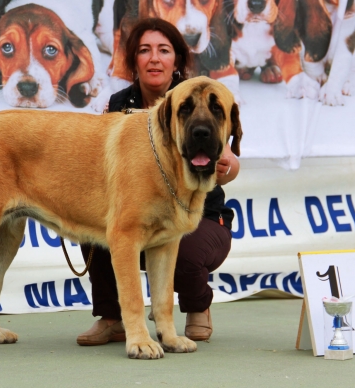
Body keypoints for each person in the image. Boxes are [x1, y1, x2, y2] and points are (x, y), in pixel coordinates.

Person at [76, 18, 240, 346]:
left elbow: (232, 164)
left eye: (163, 50)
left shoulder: (204, 98)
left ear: (176, 60)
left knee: (184, 248)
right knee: (94, 224)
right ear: (133, 61)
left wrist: (228, 165)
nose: (154, 58)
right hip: (141, 213)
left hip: (202, 218)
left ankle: (197, 307)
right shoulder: (117, 105)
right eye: (144, 51)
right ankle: (113, 318)